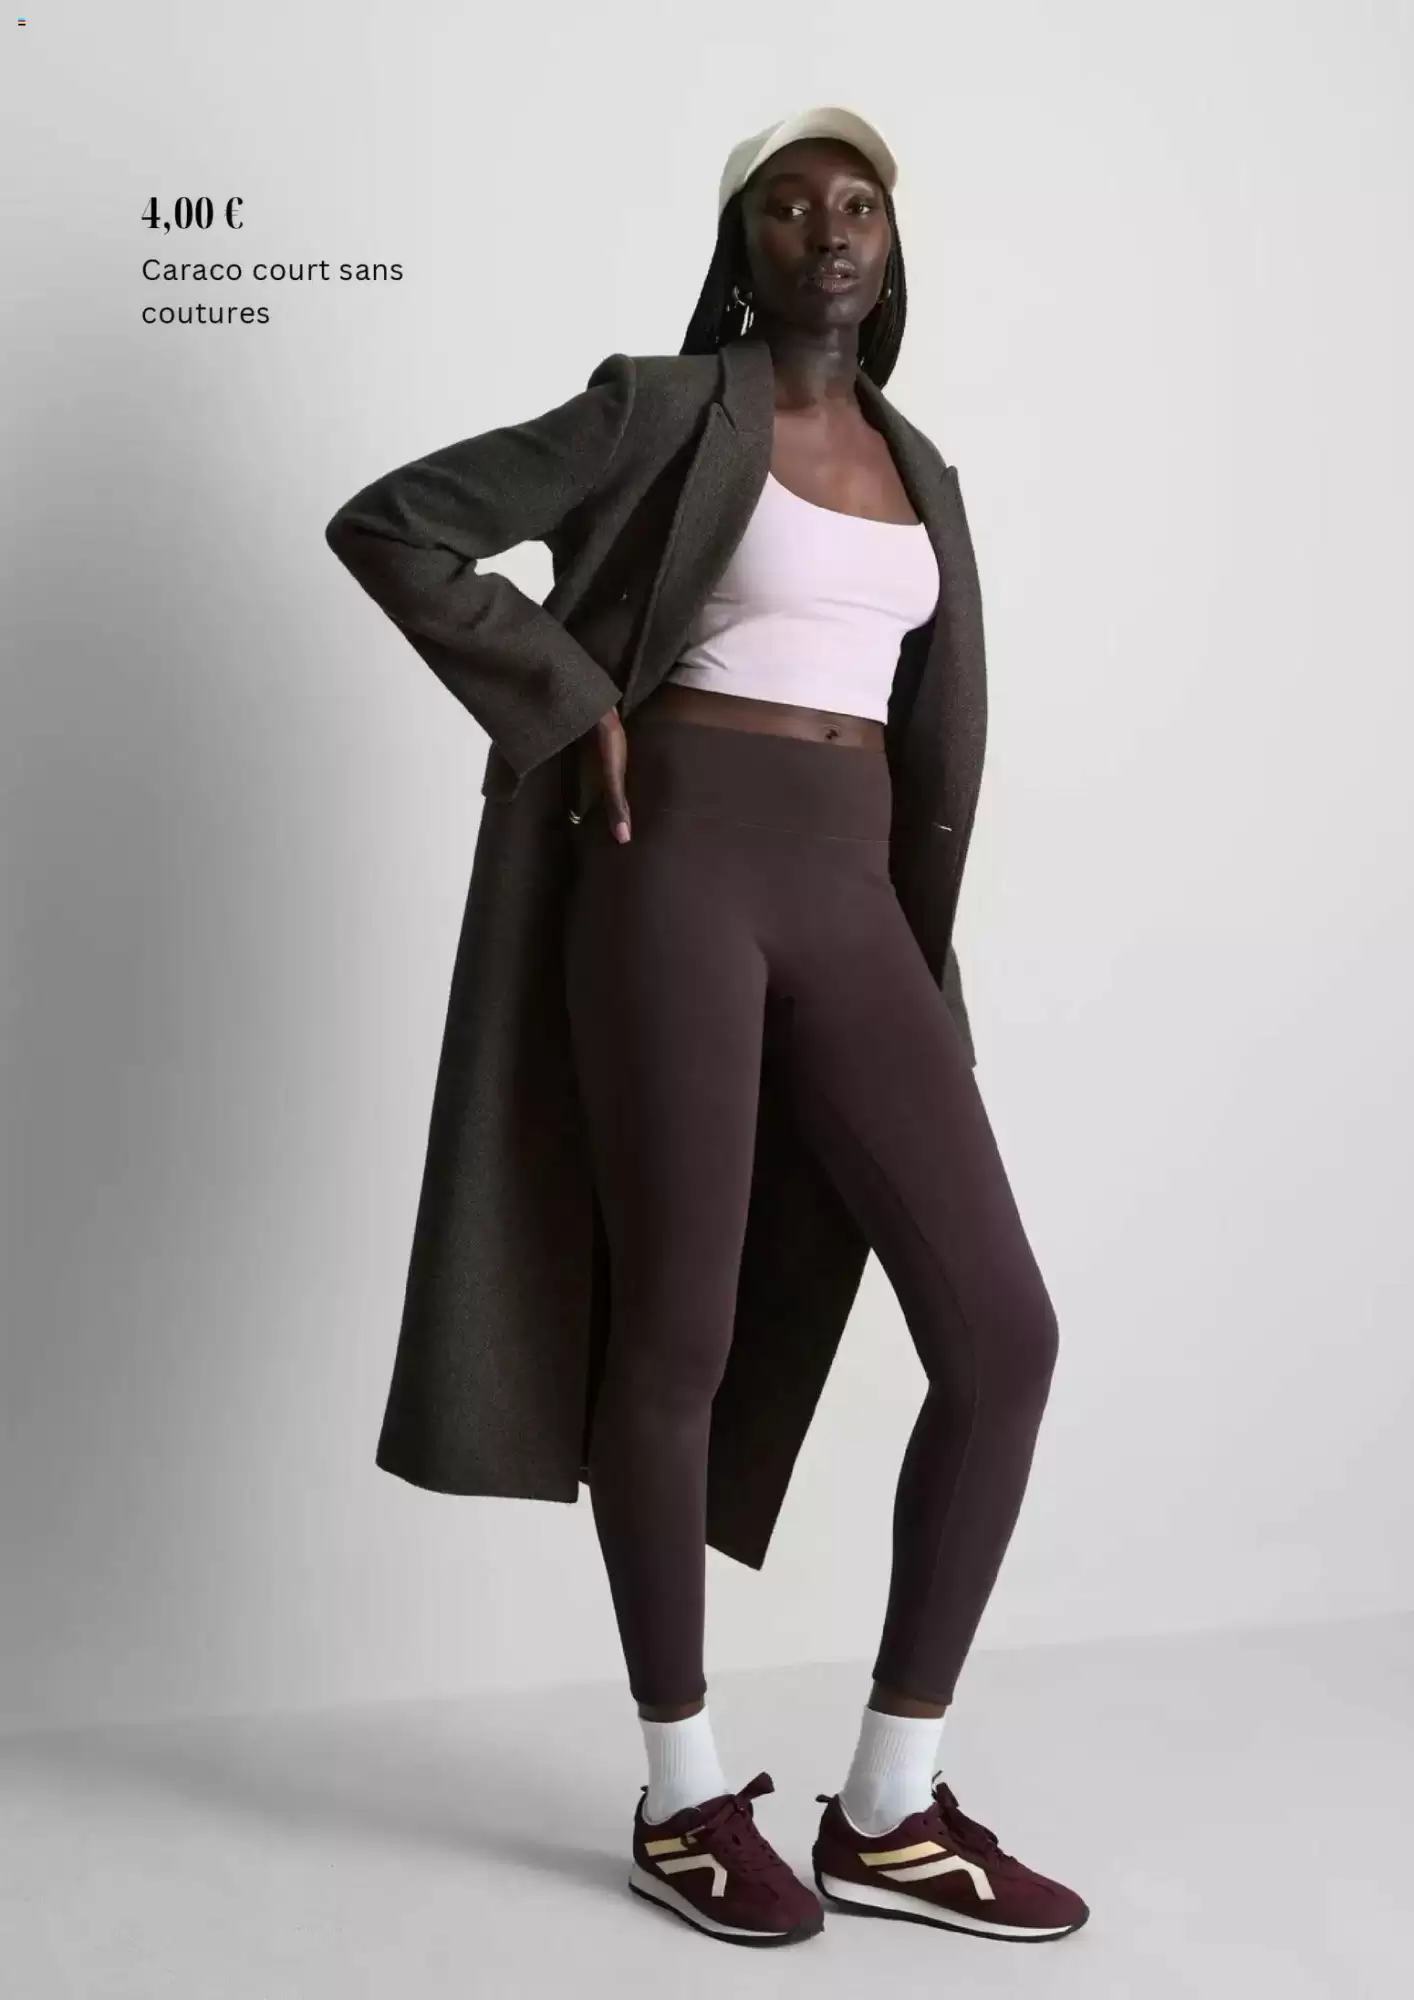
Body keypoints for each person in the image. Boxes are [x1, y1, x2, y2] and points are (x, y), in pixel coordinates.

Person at [326, 104, 1088, 1951]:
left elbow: (925, 730)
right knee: (675, 1329)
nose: (827, 231)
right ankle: (681, 1794)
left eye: (857, 205)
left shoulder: (920, 463)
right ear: (739, 248)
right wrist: (565, 698)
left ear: (890, 246)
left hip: (855, 902)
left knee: (1002, 1334)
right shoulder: (663, 408)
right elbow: (396, 523)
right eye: (785, 207)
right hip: (674, 872)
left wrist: (909, 940)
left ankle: (889, 1810)